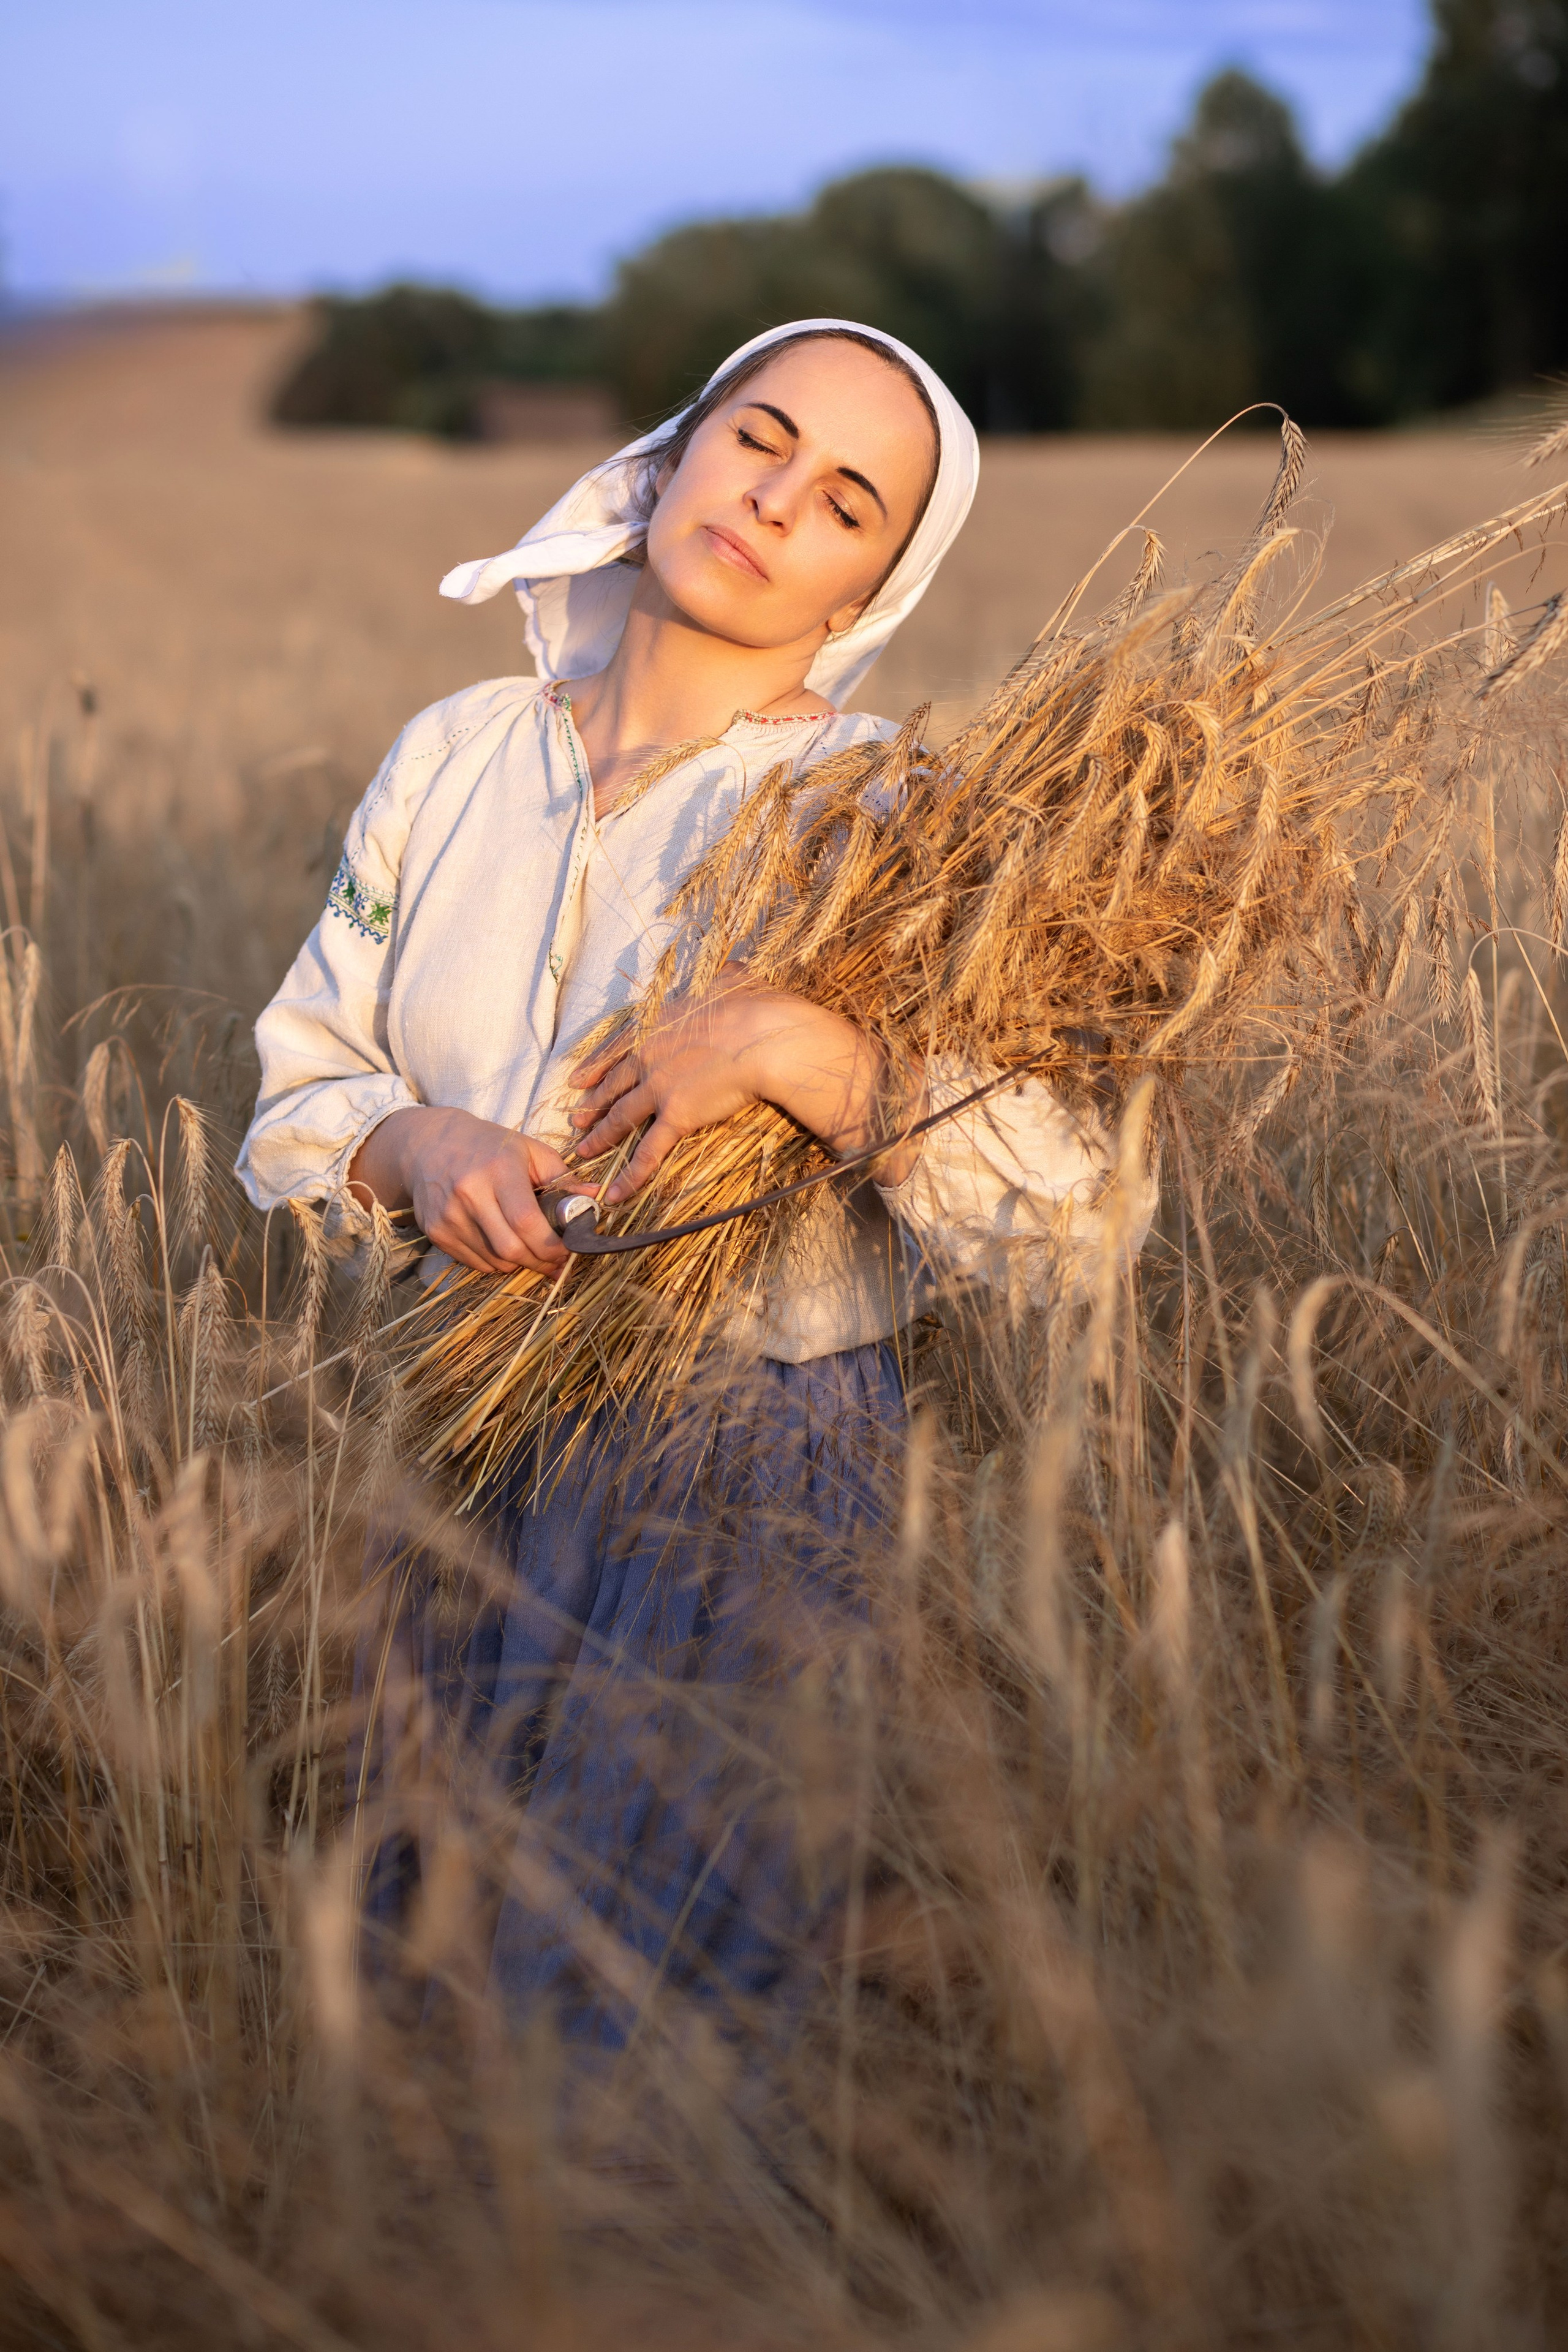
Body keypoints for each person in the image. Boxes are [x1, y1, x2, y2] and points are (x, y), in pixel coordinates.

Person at [237, 319, 1139, 2048]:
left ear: (870, 585)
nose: (779, 500)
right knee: (410, 1977)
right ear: (670, 456)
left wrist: (804, 1053)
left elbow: (1065, 1211)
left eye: (849, 502)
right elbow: (305, 1078)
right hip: (454, 1432)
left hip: (745, 1462)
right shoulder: (456, 755)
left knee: (637, 2022)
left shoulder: (891, 811)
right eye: (761, 439)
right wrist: (415, 1147)